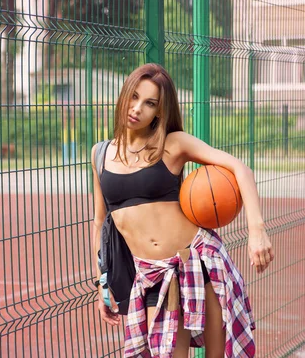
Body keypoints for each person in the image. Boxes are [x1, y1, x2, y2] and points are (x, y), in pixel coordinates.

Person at [91, 63, 274, 358]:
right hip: (152, 275)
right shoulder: (100, 154)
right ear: (124, 94)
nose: (137, 108)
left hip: (198, 261)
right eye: (134, 96)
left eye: (149, 103)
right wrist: (103, 284)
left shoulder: (172, 144)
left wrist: (257, 230)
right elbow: (101, 222)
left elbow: (239, 168)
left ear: (159, 112)